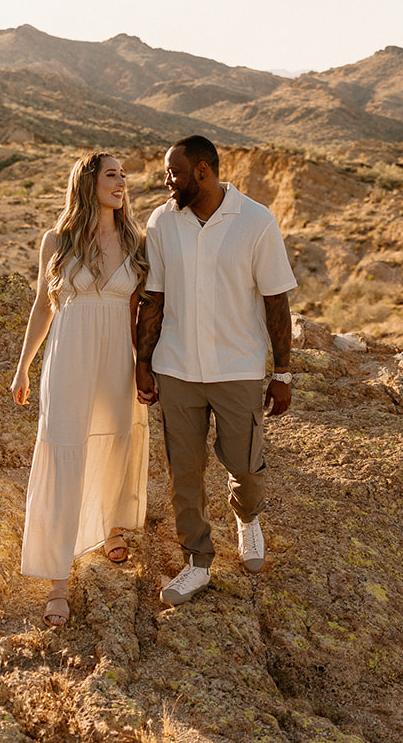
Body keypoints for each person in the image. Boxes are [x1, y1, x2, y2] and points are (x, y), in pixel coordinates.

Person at [134, 134, 296, 606]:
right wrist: (144, 363)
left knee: (245, 465)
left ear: (202, 170)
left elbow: (275, 300)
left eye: (174, 172)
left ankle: (247, 517)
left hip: (237, 367)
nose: (167, 181)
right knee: (185, 472)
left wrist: (282, 372)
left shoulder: (256, 221)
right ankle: (197, 563)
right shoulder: (163, 222)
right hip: (177, 367)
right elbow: (155, 298)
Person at [11, 151, 150, 627]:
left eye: (124, 175)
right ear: (88, 182)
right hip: (68, 357)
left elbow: (139, 315)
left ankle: (110, 525)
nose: (122, 181)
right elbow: (41, 307)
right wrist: (22, 368)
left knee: (116, 440)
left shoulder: (136, 241)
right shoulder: (58, 240)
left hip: (118, 359)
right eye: (112, 174)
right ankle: (57, 580)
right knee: (65, 447)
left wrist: (146, 368)